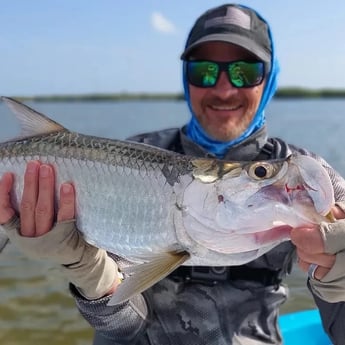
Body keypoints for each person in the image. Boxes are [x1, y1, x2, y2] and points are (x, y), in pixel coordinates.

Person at [1, 3, 345, 344]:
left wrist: (340, 282)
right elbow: (122, 330)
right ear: (186, 78)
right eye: (203, 72)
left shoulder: (309, 183)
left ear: (268, 79)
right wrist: (86, 268)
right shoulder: (136, 155)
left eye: (244, 71)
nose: (224, 89)